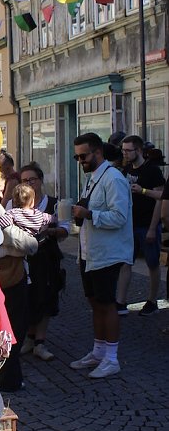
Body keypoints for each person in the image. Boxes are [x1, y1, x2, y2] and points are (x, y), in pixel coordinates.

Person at [71, 132, 133, 378]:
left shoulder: (114, 178)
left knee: (107, 305)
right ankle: (98, 351)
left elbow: (119, 217)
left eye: (83, 156)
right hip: (90, 252)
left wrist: (89, 215)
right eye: (77, 157)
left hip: (107, 253)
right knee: (95, 303)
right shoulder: (93, 178)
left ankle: (111, 358)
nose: (80, 161)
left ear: (98, 152)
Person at [18, 162, 68, 362]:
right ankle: (30, 339)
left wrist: (50, 231)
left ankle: (40, 342)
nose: (29, 184)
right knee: (28, 297)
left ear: (40, 181)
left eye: (32, 179)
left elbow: (65, 230)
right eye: (24, 180)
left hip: (47, 257)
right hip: (23, 259)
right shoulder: (16, 203)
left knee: (46, 297)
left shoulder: (54, 203)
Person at [0, 177, 38, 392]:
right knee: (11, 328)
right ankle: (8, 378)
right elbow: (28, 244)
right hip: (7, 277)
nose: (2, 194)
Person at [116, 135, 165, 316]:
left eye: (128, 150)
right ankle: (120, 302)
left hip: (147, 224)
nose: (125, 153)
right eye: (123, 150)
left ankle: (152, 301)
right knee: (125, 262)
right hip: (129, 225)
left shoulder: (152, 171)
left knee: (152, 263)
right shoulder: (125, 169)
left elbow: (161, 197)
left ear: (138, 150)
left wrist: (142, 190)